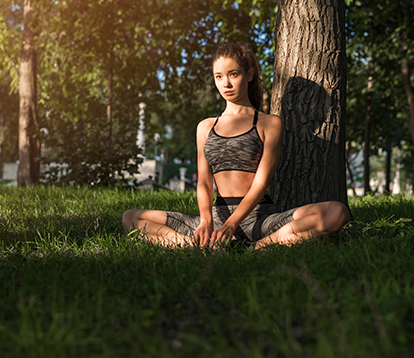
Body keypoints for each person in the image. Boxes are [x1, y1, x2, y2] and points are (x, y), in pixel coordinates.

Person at [122, 43, 350, 249]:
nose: (226, 83)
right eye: (218, 76)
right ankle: (195, 245)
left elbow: (261, 183)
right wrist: (206, 221)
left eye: (233, 74)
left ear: (249, 74)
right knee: (131, 217)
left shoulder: (269, 123)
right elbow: (203, 182)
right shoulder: (205, 127)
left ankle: (257, 247)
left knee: (337, 212)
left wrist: (232, 225)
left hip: (259, 219)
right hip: (215, 219)